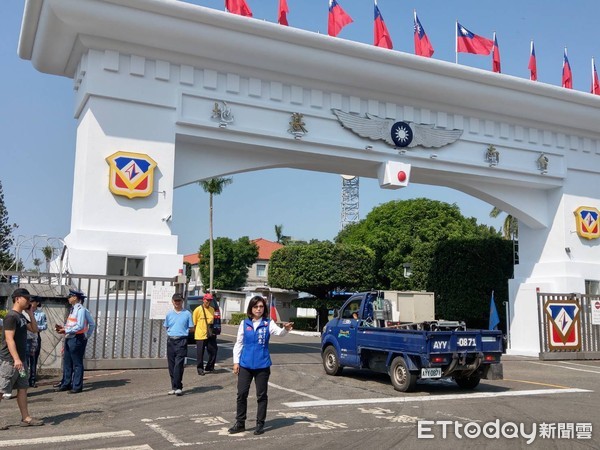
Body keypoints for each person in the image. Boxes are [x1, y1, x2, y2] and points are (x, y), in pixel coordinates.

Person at [229, 295, 294, 436]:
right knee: (241, 394)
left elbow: (279, 333)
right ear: (251, 309)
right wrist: (236, 362)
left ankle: (260, 424)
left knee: (261, 395)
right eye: (255, 306)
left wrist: (285, 329)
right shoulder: (244, 323)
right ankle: (240, 423)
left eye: (261, 306)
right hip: (245, 364)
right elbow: (238, 344)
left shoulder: (268, 323)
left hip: (262, 365)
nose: (258, 309)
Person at [0, 288, 44, 428]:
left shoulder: (21, 316)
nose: (28, 301)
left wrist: (30, 313)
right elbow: (9, 339)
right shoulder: (11, 317)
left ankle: (26, 418)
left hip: (21, 362)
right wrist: (16, 359)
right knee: (1, 390)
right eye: (26, 298)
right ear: (17, 298)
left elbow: (35, 329)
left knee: (23, 388)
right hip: (10, 361)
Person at [54, 289, 96, 394]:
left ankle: (77, 386)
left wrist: (86, 336)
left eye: (70, 296)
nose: (68, 298)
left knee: (77, 363)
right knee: (67, 362)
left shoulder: (81, 310)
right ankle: (66, 383)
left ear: (75, 298)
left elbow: (81, 326)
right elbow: (72, 325)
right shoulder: (73, 309)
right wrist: (63, 328)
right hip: (70, 337)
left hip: (77, 338)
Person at [164, 292, 194, 396]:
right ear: (172, 302)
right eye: (175, 300)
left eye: (179, 300)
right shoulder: (169, 314)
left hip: (181, 340)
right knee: (171, 365)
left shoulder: (187, 314)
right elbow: (167, 327)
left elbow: (191, 328)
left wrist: (183, 333)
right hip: (171, 340)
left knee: (178, 365)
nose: (177, 302)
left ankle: (178, 386)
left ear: (182, 301)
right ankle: (174, 386)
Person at [192, 293, 217, 375]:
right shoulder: (197, 310)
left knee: (214, 350)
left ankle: (209, 366)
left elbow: (213, 322)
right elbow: (194, 323)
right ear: (203, 300)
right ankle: (200, 369)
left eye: (210, 300)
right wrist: (194, 334)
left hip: (210, 334)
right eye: (207, 300)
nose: (208, 302)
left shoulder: (212, 309)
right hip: (200, 335)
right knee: (200, 353)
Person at [27, 296, 47, 388]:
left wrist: (36, 328)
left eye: (32, 301)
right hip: (26, 337)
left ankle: (32, 380)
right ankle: (23, 380)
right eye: (29, 301)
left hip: (35, 336)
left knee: (33, 360)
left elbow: (44, 326)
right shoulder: (24, 313)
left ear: (37, 303)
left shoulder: (41, 314)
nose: (30, 303)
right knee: (24, 361)